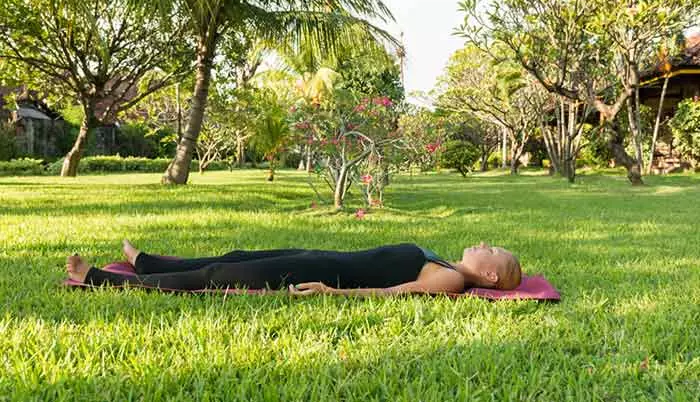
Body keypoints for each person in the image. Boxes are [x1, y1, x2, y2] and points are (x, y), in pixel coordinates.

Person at [66, 240, 522, 296]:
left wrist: (329, 292)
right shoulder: (441, 260)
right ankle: (145, 262)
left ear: (490, 277)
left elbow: (387, 294)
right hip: (315, 254)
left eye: (494, 251)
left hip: (321, 272)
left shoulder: (446, 278)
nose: (485, 245)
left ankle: (100, 281)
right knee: (237, 258)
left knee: (217, 279)